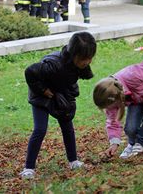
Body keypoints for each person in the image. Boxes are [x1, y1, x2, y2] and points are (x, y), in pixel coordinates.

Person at [20, 32, 97, 179]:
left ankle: (73, 161)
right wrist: (42, 90)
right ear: (73, 54)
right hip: (41, 96)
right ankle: (28, 168)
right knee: (40, 129)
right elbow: (30, 72)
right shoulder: (53, 65)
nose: (87, 62)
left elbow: (75, 76)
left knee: (68, 127)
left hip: (59, 95)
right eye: (84, 59)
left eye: (90, 58)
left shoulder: (77, 64)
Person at [93, 56, 143, 159]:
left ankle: (141, 143)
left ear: (115, 98)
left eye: (110, 107)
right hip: (137, 100)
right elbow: (113, 122)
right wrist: (114, 143)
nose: (110, 109)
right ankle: (132, 144)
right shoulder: (111, 98)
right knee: (130, 128)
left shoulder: (134, 75)